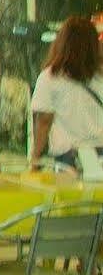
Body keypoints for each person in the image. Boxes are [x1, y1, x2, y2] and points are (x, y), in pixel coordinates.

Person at [30, 14, 103, 168]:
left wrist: (35, 160)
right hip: (100, 154)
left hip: (69, 158)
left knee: (69, 193)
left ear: (62, 42)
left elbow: (43, 123)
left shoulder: (50, 77)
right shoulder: (99, 75)